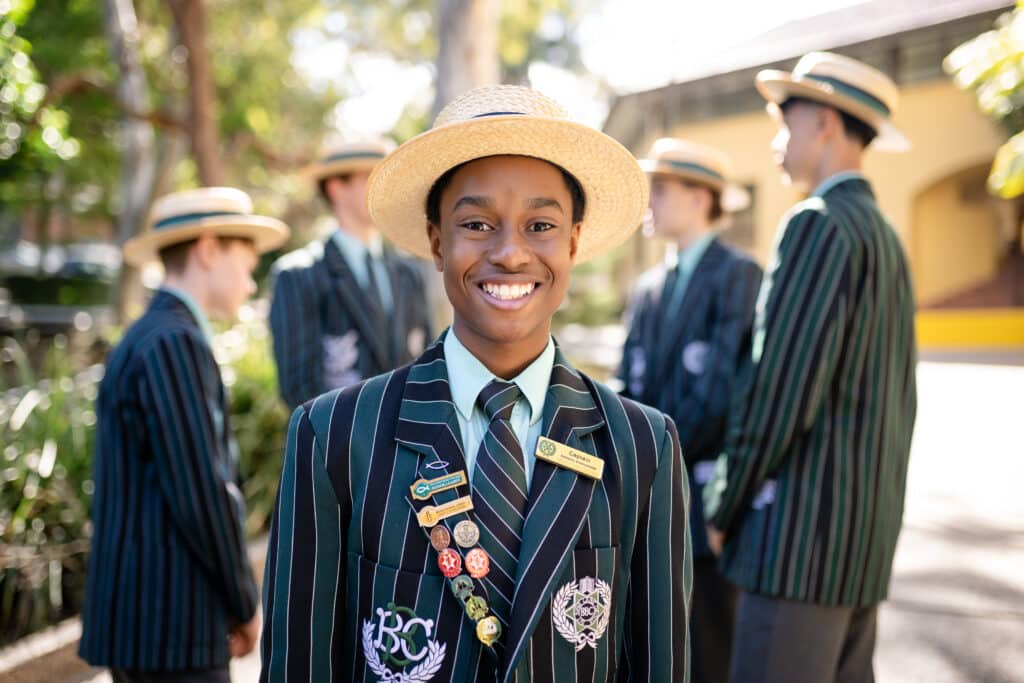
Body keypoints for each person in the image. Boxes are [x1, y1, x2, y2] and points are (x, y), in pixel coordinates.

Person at [260, 85, 692, 682]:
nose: (510, 253)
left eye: (540, 224)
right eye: (477, 223)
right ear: (437, 241)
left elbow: (660, 664)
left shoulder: (642, 447)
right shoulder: (334, 436)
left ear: (573, 242)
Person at [702, 51, 918, 683]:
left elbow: (778, 395)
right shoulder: (882, 233)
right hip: (859, 551)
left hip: (794, 552)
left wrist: (722, 506)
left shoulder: (816, 225)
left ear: (823, 121)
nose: (777, 143)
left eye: (783, 122)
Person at [79, 187, 290, 682]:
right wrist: (244, 601)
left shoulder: (150, 335)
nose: (251, 280)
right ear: (209, 248)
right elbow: (202, 492)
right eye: (247, 261)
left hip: (146, 625)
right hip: (171, 627)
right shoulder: (175, 342)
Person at [618, 138, 762, 683]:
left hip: (703, 499)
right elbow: (626, 384)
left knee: (706, 645)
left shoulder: (739, 274)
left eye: (660, 187)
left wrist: (655, 458)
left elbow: (727, 393)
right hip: (645, 495)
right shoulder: (650, 285)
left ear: (702, 197)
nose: (648, 201)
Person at [269, 140, 433, 409]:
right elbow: (299, 389)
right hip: (338, 445)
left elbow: (427, 365)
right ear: (336, 188)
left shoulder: (408, 272)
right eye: (372, 178)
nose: (387, 191)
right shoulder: (298, 276)